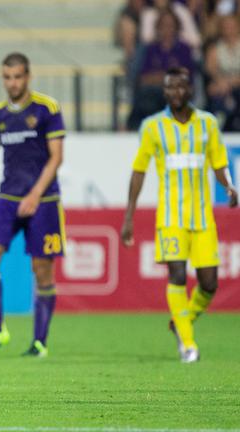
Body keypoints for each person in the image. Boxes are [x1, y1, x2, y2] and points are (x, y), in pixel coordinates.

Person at [121, 67, 238, 363]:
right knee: (176, 276)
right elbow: (139, 171)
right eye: (170, 88)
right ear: (165, 91)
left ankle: (180, 321)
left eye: (181, 87)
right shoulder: (152, 127)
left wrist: (229, 186)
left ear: (191, 89)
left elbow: (218, 163)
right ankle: (188, 345)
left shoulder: (208, 124)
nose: (176, 93)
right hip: (171, 218)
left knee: (209, 284)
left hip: (202, 219)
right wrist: (129, 216)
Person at [0, 52, 65, 359]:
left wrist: (35, 194)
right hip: (8, 199)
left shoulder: (47, 109)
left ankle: (39, 343)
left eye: (18, 76)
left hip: (44, 201)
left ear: (28, 76)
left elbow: (56, 157)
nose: (13, 83)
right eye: (7, 77)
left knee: (42, 270)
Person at [205, 15, 240, 131]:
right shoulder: (214, 48)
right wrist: (220, 83)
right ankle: (219, 131)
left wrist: (228, 83)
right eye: (225, 26)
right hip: (221, 87)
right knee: (215, 93)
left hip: (235, 86)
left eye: (231, 26)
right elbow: (211, 71)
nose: (229, 29)